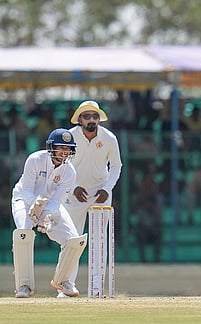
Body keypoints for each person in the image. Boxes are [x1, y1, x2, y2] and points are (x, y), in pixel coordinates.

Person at [11, 128, 86, 298]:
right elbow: (27, 191)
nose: (65, 152)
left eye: (68, 149)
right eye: (61, 148)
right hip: (23, 200)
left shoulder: (69, 172)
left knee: (74, 240)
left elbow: (57, 201)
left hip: (50, 205)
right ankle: (23, 286)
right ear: (51, 147)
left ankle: (64, 281)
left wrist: (47, 216)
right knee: (24, 234)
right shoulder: (35, 160)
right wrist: (35, 207)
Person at [64, 100, 122, 298]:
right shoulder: (70, 137)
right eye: (87, 116)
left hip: (100, 192)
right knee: (71, 239)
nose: (91, 120)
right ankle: (66, 285)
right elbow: (61, 164)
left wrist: (106, 189)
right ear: (79, 119)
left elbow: (116, 166)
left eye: (95, 116)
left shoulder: (109, 138)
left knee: (99, 240)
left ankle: (97, 287)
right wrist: (72, 187)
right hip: (74, 191)